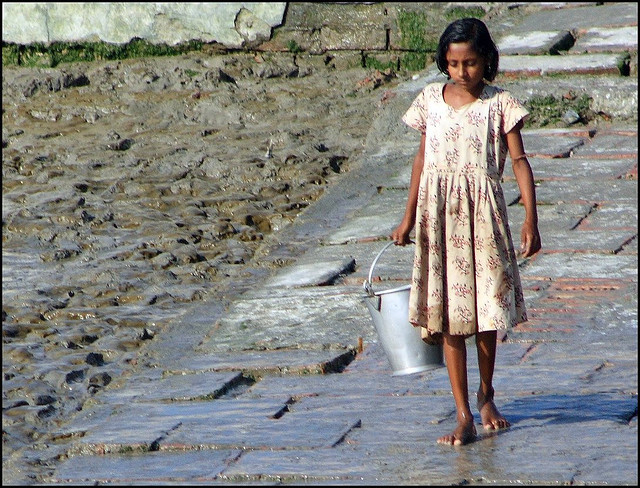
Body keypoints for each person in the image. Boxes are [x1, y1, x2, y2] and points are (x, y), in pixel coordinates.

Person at [391, 17, 541, 446]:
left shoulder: (500, 104)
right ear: (444, 62)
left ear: (486, 61)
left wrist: (531, 217)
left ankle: (486, 395)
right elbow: (421, 162)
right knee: (451, 319)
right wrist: (407, 218)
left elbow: (518, 162)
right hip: (438, 217)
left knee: (487, 312)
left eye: (471, 63)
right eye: (454, 63)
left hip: (485, 218)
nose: (462, 72)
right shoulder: (429, 102)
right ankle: (462, 413)